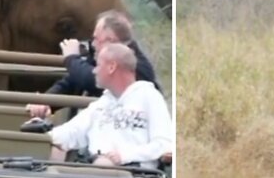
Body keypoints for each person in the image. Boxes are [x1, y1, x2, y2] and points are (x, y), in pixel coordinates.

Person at [48, 43, 172, 168]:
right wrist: (43, 133)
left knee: (103, 163)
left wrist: (124, 156)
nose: (94, 71)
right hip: (97, 171)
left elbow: (164, 144)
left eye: (98, 65)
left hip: (136, 175)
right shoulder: (101, 104)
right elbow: (71, 132)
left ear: (111, 67)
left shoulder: (149, 97)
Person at [26, 10, 160, 119]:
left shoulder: (136, 66)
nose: (93, 44)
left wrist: (71, 59)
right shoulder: (101, 56)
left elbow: (95, 80)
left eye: (96, 39)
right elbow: (72, 81)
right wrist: (46, 101)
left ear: (110, 41)